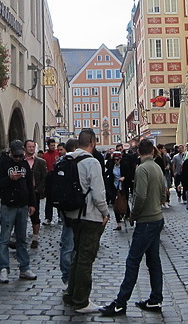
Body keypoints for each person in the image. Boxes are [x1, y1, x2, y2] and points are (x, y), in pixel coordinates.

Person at [99, 139, 166, 316]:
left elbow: (140, 195)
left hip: (146, 221)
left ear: (138, 152)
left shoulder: (142, 169)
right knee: (154, 261)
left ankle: (120, 303)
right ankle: (156, 299)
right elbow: (163, 192)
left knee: (133, 260)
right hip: (157, 217)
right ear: (152, 151)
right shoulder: (157, 167)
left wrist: (133, 214)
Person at [62, 129, 110, 313]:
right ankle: (81, 301)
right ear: (92, 142)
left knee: (77, 254)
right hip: (90, 216)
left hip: (72, 215)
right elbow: (98, 193)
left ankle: (71, 293)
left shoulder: (67, 159)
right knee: (85, 259)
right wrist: (105, 213)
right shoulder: (92, 162)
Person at [0, 140, 37, 283]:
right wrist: (9, 179)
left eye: (20, 156)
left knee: (22, 239)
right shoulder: (1, 164)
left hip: (23, 206)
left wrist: (32, 203)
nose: (18, 159)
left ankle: (25, 268)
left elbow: (30, 185)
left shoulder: (24, 164)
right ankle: (4, 268)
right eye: (16, 156)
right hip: (8, 206)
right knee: (4, 239)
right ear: (10, 152)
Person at [58, 138, 78, 287]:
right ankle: (75, 277)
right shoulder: (83, 162)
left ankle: (67, 277)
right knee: (78, 246)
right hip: (81, 210)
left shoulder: (60, 162)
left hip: (65, 208)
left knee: (67, 244)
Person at [24, 139, 48, 249]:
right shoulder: (21, 161)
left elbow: (44, 177)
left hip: (35, 192)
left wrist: (38, 189)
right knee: (21, 215)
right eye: (29, 147)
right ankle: (19, 236)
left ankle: (35, 238)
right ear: (25, 148)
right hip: (22, 192)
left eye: (33, 147)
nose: (31, 149)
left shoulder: (40, 162)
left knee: (35, 215)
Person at [42, 138, 59, 226]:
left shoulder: (58, 153)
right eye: (51, 145)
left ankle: (60, 216)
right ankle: (48, 217)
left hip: (57, 177)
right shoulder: (45, 155)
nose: (53, 147)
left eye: (54, 145)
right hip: (49, 177)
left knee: (59, 197)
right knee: (49, 199)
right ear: (48, 146)